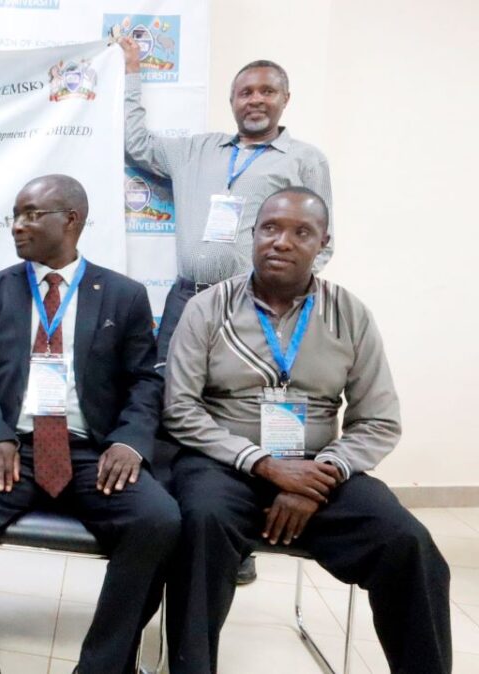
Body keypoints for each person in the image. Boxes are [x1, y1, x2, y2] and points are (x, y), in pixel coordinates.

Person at [162, 187, 451, 673]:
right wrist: (266, 465)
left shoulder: (350, 314)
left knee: (409, 544)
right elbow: (181, 408)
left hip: (319, 473)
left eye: (301, 232)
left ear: (324, 243)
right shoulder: (208, 308)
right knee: (200, 526)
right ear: (252, 236)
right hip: (224, 465)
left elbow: (378, 420)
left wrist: (320, 475)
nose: (281, 242)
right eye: (270, 228)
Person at [0, 175, 180, 674]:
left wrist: (129, 442)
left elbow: (146, 382)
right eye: (15, 216)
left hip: (92, 452)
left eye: (30, 214)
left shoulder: (123, 295)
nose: (17, 226)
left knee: (159, 519)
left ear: (71, 220)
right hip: (10, 449)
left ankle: (104, 666)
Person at [119, 38, 333, 585]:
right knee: (171, 402)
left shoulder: (304, 159)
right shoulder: (198, 149)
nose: (254, 99)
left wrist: (285, 294)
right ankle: (171, 524)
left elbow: (323, 241)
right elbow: (136, 141)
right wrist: (132, 69)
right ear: (232, 99)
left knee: (245, 409)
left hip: (255, 304)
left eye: (266, 91)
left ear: (285, 99)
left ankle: (235, 539)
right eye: (244, 91)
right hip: (188, 297)